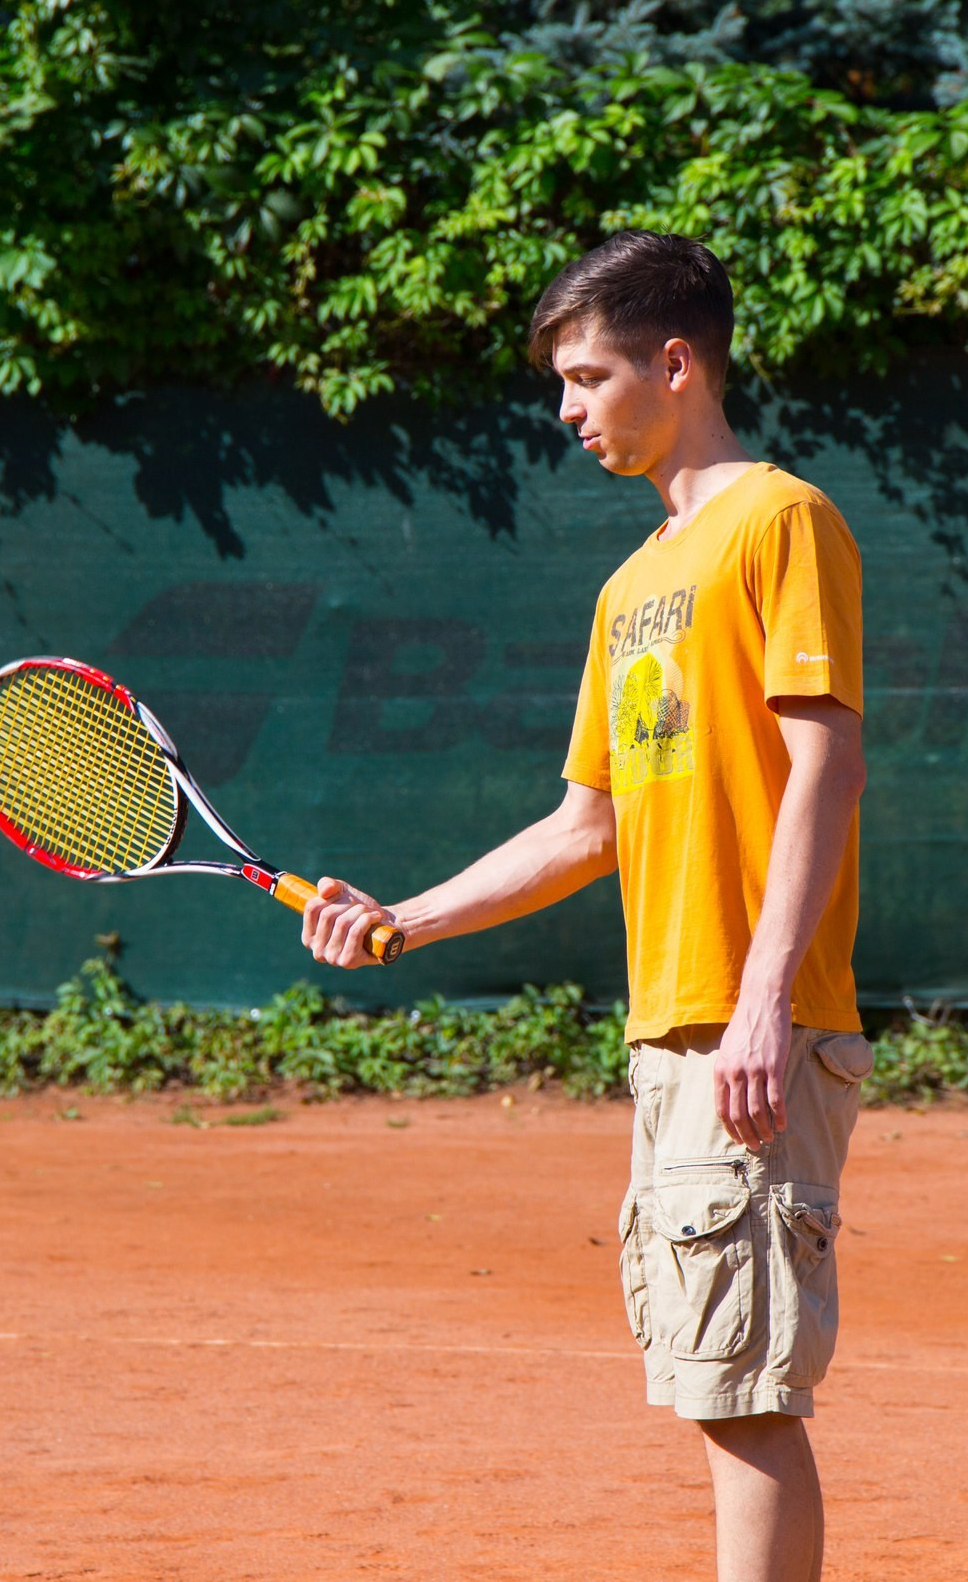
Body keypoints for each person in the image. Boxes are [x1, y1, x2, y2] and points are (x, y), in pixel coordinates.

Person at [296, 230, 870, 1581]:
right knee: (712, 1380)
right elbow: (586, 824)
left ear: (674, 363)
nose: (566, 409)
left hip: (750, 1031)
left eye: (585, 375)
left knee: (745, 1396)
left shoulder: (781, 520)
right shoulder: (631, 585)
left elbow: (826, 765)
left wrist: (762, 1003)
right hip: (677, 1033)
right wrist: (407, 916)